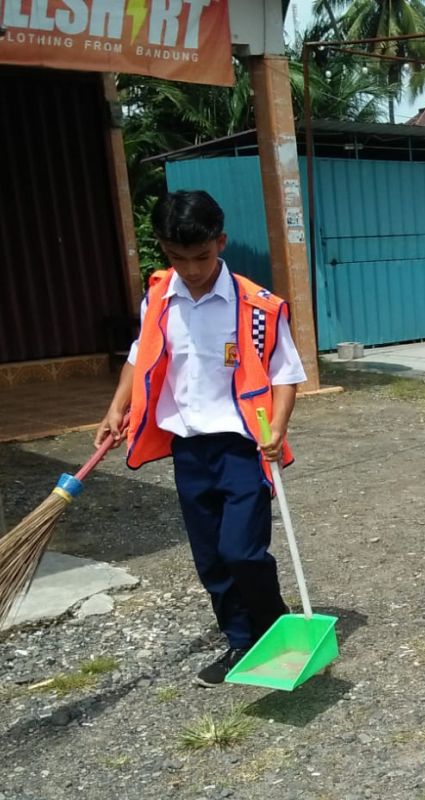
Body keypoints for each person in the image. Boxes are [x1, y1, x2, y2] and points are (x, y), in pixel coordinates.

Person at [94, 190, 307, 687]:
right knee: (210, 556)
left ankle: (276, 628)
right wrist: (116, 407)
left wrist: (276, 429)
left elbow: (285, 373)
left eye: (201, 256)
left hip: (240, 447)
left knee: (242, 550)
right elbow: (139, 355)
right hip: (187, 448)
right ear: (164, 250)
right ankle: (239, 640)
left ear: (221, 242)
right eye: (177, 257)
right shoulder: (158, 297)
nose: (190, 269)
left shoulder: (258, 307)